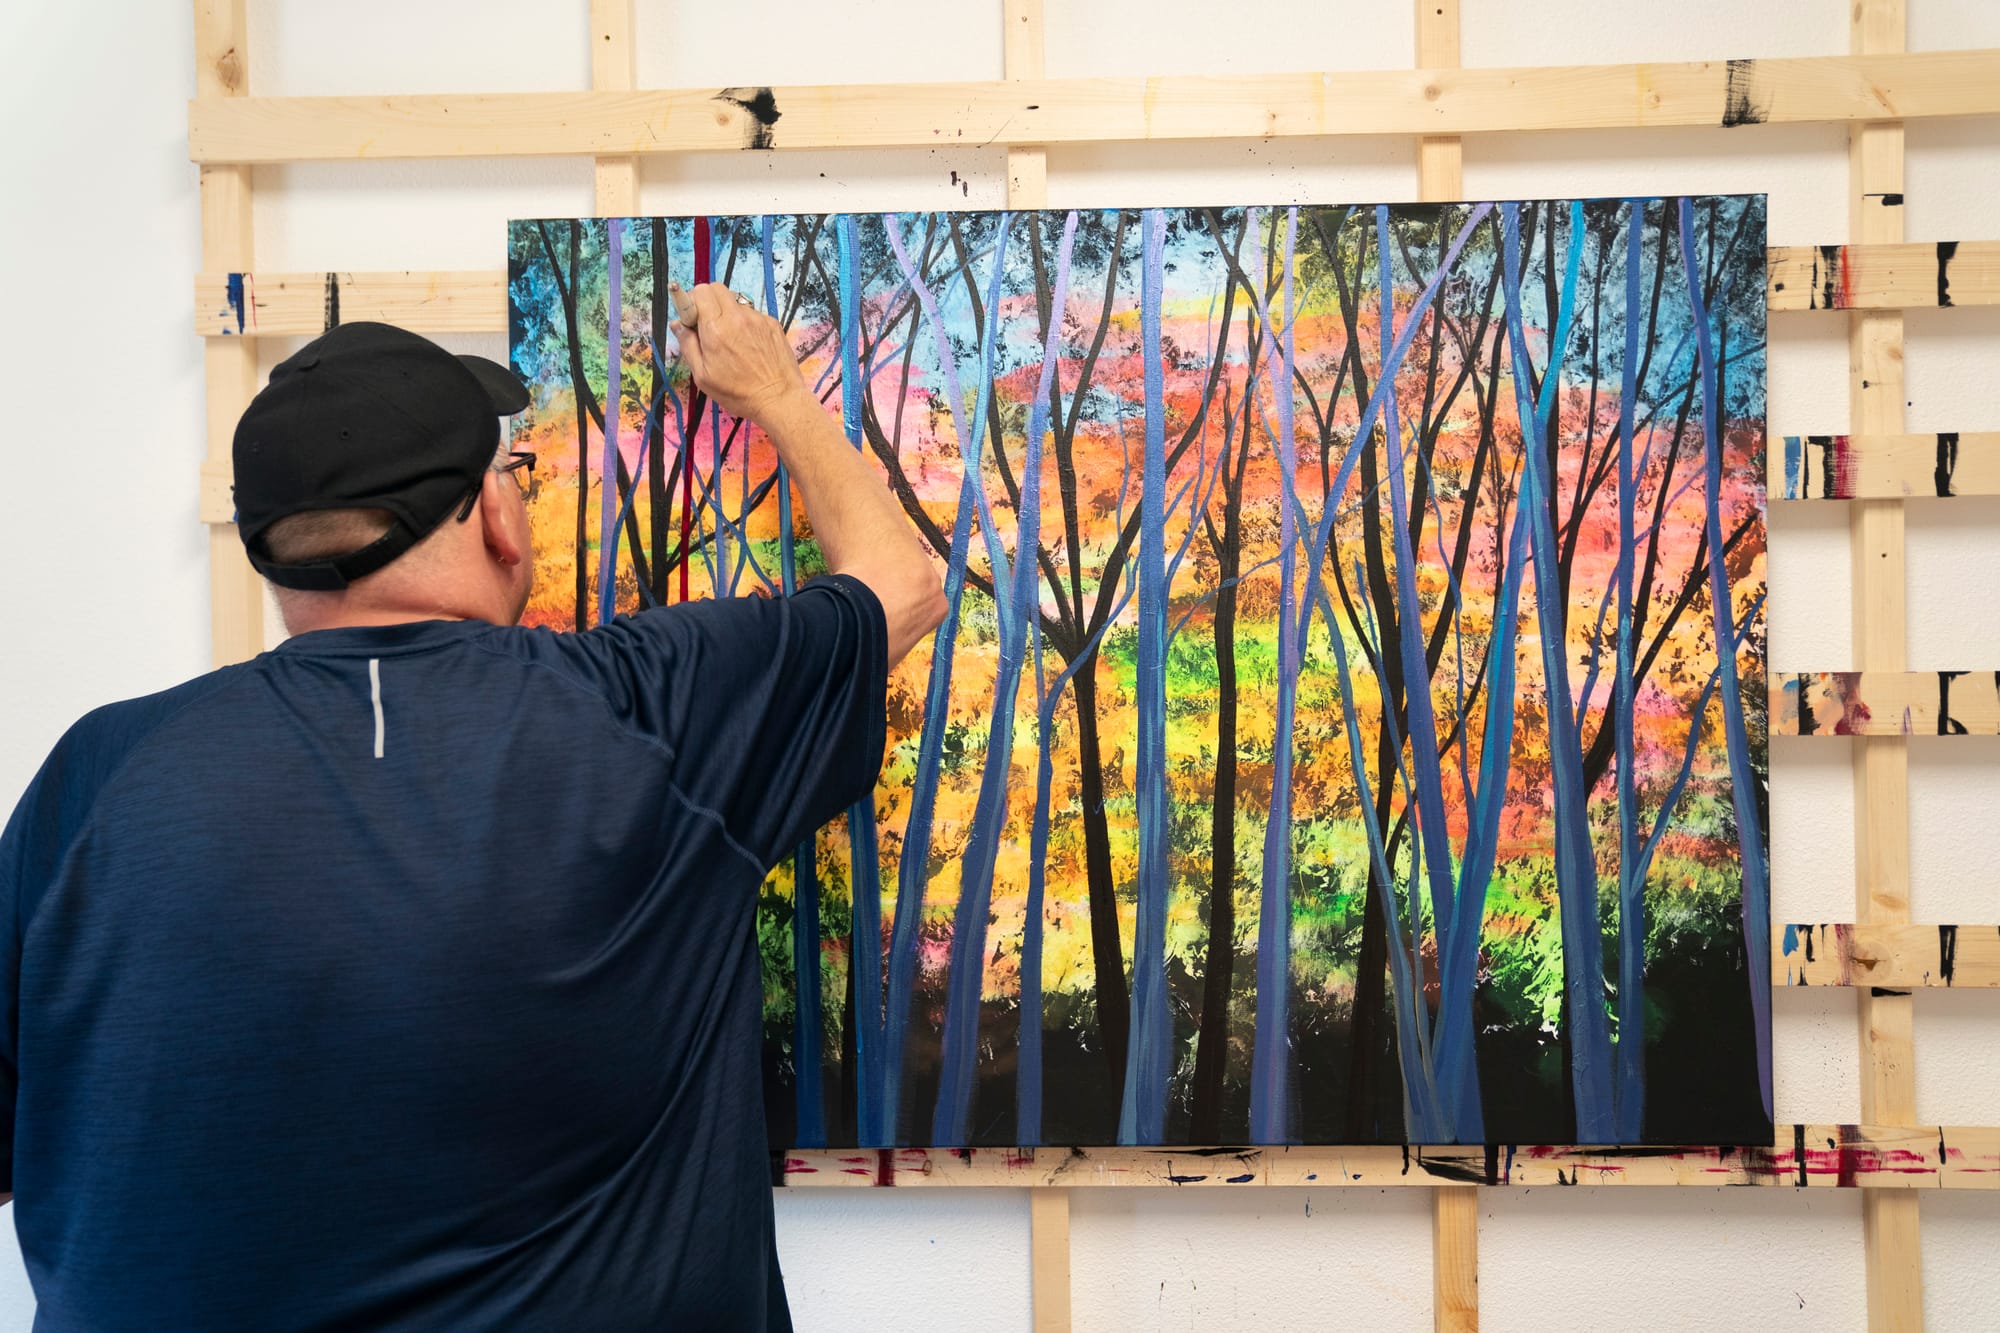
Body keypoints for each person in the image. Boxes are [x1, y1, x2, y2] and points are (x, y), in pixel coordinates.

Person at [0, 293, 945, 1331]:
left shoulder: (97, 776)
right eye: (513, 473)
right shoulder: (649, 709)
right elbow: (899, 581)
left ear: (268, 552)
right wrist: (771, 388)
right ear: (492, 513)